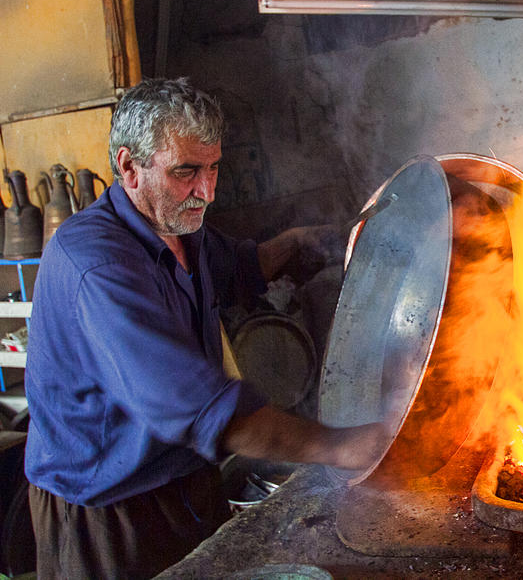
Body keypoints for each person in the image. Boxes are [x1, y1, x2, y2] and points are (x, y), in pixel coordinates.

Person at [24, 77, 382, 579]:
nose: (207, 192)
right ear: (129, 167)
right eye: (186, 172)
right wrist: (347, 446)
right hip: (109, 514)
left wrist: (303, 241)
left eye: (213, 168)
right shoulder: (97, 263)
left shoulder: (177, 227)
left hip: (184, 485)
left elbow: (240, 265)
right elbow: (202, 408)